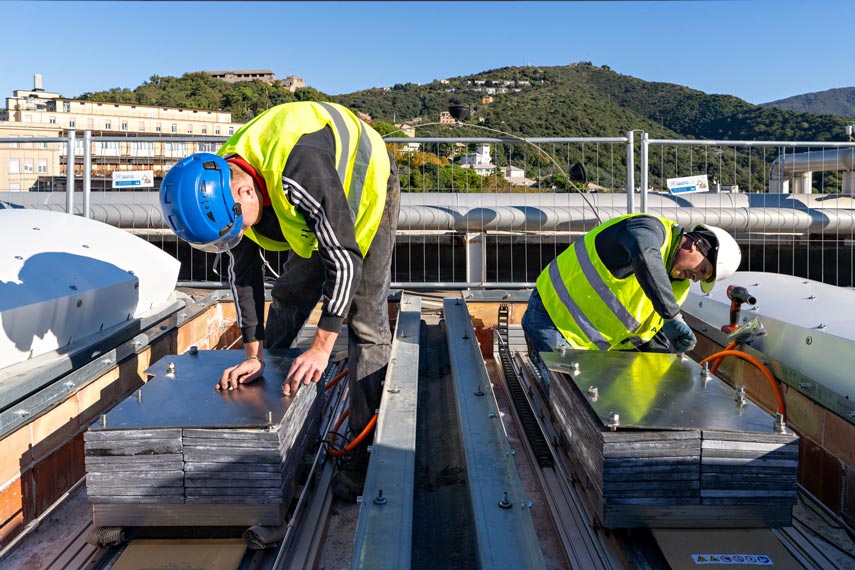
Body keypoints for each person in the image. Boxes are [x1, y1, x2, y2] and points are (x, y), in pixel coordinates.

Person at [159, 101, 400, 501]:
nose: (237, 235)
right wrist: (253, 354)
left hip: (367, 186)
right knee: (289, 295)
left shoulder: (298, 171)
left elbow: (344, 260)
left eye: (237, 226)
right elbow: (244, 275)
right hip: (315, 207)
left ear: (245, 192)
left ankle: (364, 454)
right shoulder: (221, 184)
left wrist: (321, 348)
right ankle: (272, 404)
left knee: (365, 322)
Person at [522, 213, 741, 355]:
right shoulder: (648, 228)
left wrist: (667, 356)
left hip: (588, 346)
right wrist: (672, 316)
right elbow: (645, 256)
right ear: (696, 245)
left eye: (701, 279)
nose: (694, 278)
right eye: (702, 270)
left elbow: (644, 333)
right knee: (562, 398)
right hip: (551, 318)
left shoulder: (677, 287)